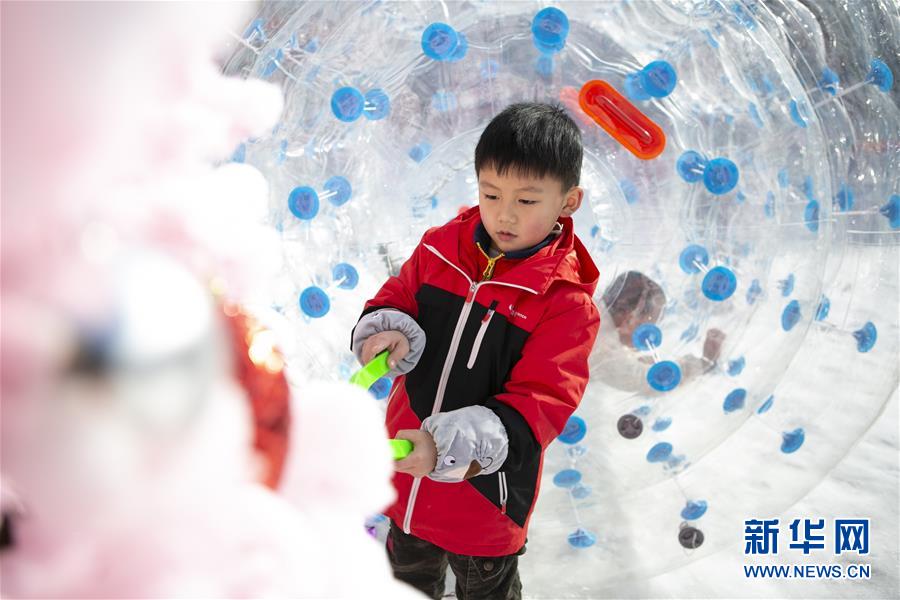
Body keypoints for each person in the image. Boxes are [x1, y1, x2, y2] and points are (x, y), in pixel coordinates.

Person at [350, 103, 600, 599]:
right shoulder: (440, 248)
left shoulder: (565, 304)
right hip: (406, 483)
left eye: (527, 200)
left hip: (484, 505)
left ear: (568, 202)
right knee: (402, 585)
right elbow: (399, 293)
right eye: (491, 194)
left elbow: (540, 403)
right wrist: (388, 329)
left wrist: (446, 448)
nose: (504, 214)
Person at [590, 270, 725, 392]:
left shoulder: (593, 313)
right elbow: (644, 380)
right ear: (630, 317)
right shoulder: (599, 342)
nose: (647, 339)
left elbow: (621, 362)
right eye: (649, 326)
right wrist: (703, 363)